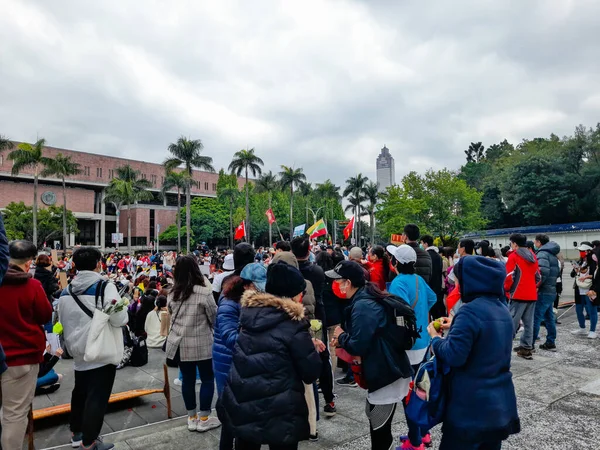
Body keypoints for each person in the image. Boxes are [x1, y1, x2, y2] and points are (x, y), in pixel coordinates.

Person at [217, 261, 322, 450]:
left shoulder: (249, 315)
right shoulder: (294, 325)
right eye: (302, 292)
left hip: (245, 402)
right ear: (293, 294)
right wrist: (312, 350)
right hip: (281, 410)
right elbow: (311, 372)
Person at [428, 256, 520, 448]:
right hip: (498, 404)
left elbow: (454, 355)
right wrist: (457, 326)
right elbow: (488, 338)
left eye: (460, 278)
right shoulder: (502, 309)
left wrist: (435, 338)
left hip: (470, 406)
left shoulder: (469, 311)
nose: (457, 283)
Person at [329, 261, 413, 450]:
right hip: (389, 367)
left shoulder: (363, 305)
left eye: (338, 281)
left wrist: (341, 336)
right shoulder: (367, 296)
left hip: (385, 372)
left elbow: (359, 344)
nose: (336, 285)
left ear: (348, 282)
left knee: (380, 430)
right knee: (376, 419)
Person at [58, 247, 128, 450]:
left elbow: (62, 321)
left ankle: (76, 434)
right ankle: (89, 442)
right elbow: (120, 319)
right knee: (96, 397)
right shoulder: (105, 286)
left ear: (74, 264)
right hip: (100, 350)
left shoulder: (66, 291)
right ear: (99, 263)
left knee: (80, 392)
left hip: (77, 350)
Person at [0, 240, 53, 450]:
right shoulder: (31, 285)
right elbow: (45, 314)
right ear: (29, 262)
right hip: (20, 359)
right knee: (14, 415)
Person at [386, 245, 437, 450]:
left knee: (409, 396)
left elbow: (399, 313)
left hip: (408, 344)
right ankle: (422, 434)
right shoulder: (419, 280)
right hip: (423, 340)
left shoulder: (398, 283)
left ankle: (415, 443)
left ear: (396, 263)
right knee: (420, 389)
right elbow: (432, 298)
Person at [213, 263, 267, 450]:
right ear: (245, 285)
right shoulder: (228, 304)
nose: (259, 290)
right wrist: (256, 334)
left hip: (242, 362)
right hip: (227, 361)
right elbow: (230, 338)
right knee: (229, 413)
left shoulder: (251, 300)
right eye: (256, 286)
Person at [164, 255, 220, 432]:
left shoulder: (172, 293)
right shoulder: (204, 292)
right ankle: (204, 418)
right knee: (207, 379)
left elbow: (171, 314)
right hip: (203, 342)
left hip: (180, 344)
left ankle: (191, 417)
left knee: (187, 380)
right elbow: (214, 317)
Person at [292, 235, 336, 419]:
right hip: (317, 315)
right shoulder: (318, 271)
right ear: (309, 251)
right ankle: (329, 399)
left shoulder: (291, 272)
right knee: (322, 354)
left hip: (297, 315)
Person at [505, 234, 540, 360]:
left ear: (514, 244)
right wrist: (531, 286)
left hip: (518, 295)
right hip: (531, 295)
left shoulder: (514, 256)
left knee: (511, 323)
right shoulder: (533, 256)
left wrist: (508, 289)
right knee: (528, 323)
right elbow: (538, 277)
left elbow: (509, 277)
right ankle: (526, 349)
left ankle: (503, 348)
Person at [533, 235, 560, 351]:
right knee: (549, 318)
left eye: (535, 241)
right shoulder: (553, 254)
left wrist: (536, 285)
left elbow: (542, 272)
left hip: (543, 291)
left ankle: (529, 343)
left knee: (536, 318)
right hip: (551, 290)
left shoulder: (542, 254)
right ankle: (550, 341)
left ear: (539, 242)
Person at [571, 243, 598, 339]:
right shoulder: (581, 261)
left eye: (582, 251)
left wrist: (586, 276)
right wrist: (576, 269)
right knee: (578, 309)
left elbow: (595, 276)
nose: (581, 253)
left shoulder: (594, 262)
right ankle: (582, 328)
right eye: (580, 251)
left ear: (588, 251)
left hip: (590, 288)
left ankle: (592, 330)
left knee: (591, 309)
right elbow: (573, 274)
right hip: (579, 288)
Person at [420, 235, 445, 318]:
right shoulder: (438, 256)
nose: (421, 245)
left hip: (428, 286)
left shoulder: (425, 255)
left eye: (422, 243)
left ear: (426, 244)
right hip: (437, 286)